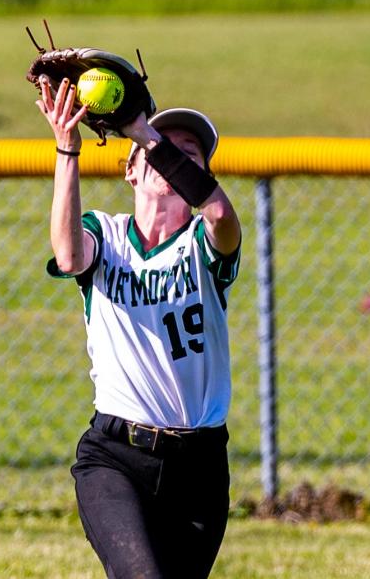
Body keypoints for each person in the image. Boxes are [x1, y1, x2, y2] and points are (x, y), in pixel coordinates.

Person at [37, 75, 242, 579]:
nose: (172, 158)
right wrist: (67, 148)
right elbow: (67, 255)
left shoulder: (204, 245)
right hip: (115, 458)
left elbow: (219, 213)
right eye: (158, 150)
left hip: (199, 469)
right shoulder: (105, 236)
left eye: (188, 154)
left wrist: (145, 134)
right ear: (131, 170)